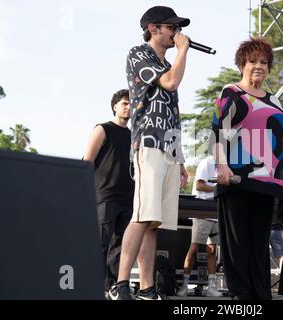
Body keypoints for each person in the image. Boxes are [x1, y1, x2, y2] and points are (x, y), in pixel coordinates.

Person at [108, 6, 189, 300]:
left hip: (168, 148)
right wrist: (184, 51)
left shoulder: (168, 63)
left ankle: (146, 288)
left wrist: (180, 158)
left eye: (177, 28)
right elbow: (170, 82)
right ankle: (119, 284)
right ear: (154, 28)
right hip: (148, 142)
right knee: (142, 215)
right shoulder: (138, 53)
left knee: (154, 222)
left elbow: (174, 113)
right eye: (172, 27)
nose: (176, 32)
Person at [210, 37, 283, 300]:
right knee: (237, 245)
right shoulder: (230, 92)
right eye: (252, 61)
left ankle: (261, 297)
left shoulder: (275, 100)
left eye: (263, 62)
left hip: (266, 183)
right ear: (241, 65)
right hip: (235, 179)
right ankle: (242, 298)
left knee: (260, 245)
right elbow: (217, 131)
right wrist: (221, 165)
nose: (258, 66)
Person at [83, 89, 134, 296]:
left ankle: (109, 287)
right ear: (115, 106)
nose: (128, 107)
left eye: (131, 103)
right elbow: (87, 161)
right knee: (100, 243)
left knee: (121, 246)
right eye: (124, 103)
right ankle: (90, 285)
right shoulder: (102, 129)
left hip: (128, 197)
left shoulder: (134, 135)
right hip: (104, 195)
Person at [177, 155, 222, 297]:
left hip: (215, 211)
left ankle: (212, 286)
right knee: (194, 247)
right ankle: (184, 285)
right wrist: (217, 189)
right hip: (202, 210)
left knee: (212, 251)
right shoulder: (206, 163)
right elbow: (199, 185)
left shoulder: (225, 165)